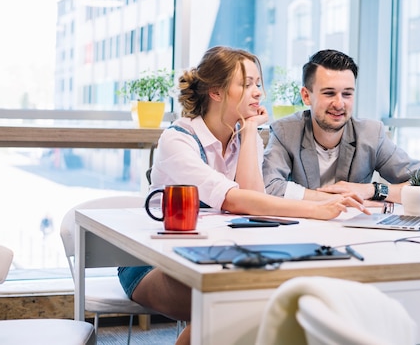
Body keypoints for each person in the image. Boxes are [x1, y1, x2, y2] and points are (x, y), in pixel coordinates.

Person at [117, 46, 365, 345]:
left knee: (251, 300)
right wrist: (316, 208)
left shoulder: (242, 138)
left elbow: (253, 202)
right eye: (247, 84)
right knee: (232, 305)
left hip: (214, 254)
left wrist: (249, 132)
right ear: (216, 92)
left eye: (258, 83)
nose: (258, 92)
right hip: (154, 262)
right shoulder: (178, 139)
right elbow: (235, 199)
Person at [263, 49, 420, 207]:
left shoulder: (371, 133)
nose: (339, 104)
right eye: (329, 93)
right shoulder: (285, 132)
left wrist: (372, 190)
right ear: (306, 96)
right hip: (301, 232)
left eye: (347, 94)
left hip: (353, 233)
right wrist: (337, 200)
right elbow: (268, 187)